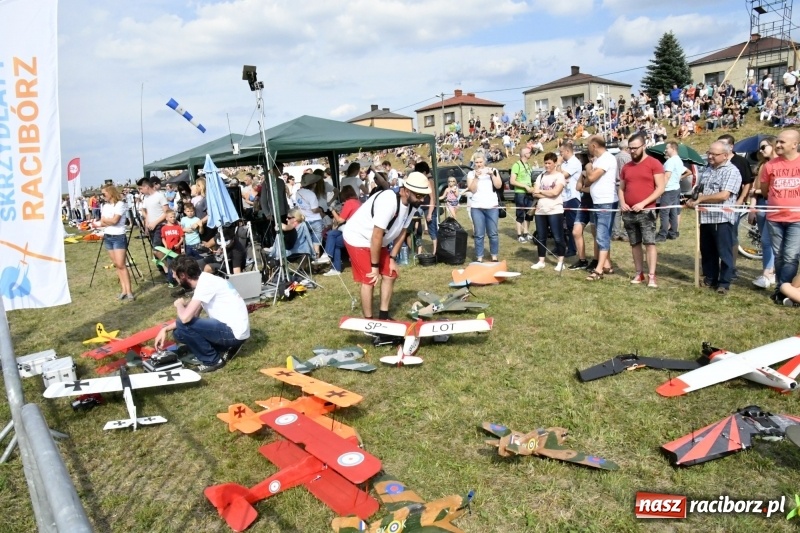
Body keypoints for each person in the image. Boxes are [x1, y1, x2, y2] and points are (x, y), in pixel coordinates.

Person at [342, 172, 431, 320]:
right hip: (358, 237)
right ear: (407, 191)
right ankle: (369, 322)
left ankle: (384, 316)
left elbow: (403, 231)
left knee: (390, 274)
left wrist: (392, 257)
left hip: (376, 240)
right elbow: (376, 235)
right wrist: (375, 266)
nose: (421, 200)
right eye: (419, 196)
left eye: (423, 196)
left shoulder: (412, 205)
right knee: (369, 279)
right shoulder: (389, 201)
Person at [154, 255, 250, 373]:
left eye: (174, 274)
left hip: (233, 334)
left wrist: (179, 304)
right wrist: (166, 329)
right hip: (233, 331)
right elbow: (193, 316)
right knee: (179, 332)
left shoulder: (205, 284)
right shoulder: (205, 280)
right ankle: (221, 348)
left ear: (183, 275)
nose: (173, 277)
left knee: (181, 323)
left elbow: (184, 319)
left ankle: (213, 360)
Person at [685, 141, 742, 294]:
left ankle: (724, 283)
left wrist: (702, 199)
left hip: (721, 218)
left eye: (714, 154)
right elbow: (701, 190)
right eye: (709, 153)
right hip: (705, 217)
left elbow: (724, 195)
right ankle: (710, 278)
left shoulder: (732, 171)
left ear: (725, 155)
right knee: (707, 250)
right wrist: (694, 199)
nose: (709, 156)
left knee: (723, 252)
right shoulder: (708, 170)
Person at [618, 133, 666, 288]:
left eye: (635, 148)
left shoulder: (654, 164)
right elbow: (621, 188)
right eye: (630, 148)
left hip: (647, 211)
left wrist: (643, 203)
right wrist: (623, 203)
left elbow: (660, 188)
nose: (632, 151)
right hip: (629, 213)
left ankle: (652, 276)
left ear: (643, 146)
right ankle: (639, 273)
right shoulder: (626, 167)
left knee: (649, 243)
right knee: (635, 243)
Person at [761, 130, 800, 303]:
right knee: (778, 255)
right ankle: (782, 289)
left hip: (797, 219)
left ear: (795, 144)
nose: (777, 145)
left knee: (791, 255)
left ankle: (785, 290)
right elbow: (764, 189)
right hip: (774, 217)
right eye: (777, 142)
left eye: (782, 142)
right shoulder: (770, 165)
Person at [584, 135, 618, 281]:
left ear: (594, 146)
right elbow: (586, 183)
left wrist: (587, 167)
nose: (587, 148)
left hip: (606, 202)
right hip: (597, 201)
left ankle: (599, 270)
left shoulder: (607, 158)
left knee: (602, 235)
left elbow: (590, 179)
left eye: (587, 145)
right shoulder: (598, 160)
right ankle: (607, 265)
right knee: (600, 234)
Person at [93, 185, 133, 301]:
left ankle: (129, 291)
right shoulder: (105, 206)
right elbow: (103, 221)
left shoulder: (120, 204)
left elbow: (115, 221)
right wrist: (106, 221)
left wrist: (106, 221)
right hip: (108, 236)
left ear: (110, 193)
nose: (102, 196)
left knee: (121, 264)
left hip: (118, 236)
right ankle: (123, 290)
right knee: (117, 264)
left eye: (104, 194)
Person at [529, 152, 566, 271]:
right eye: (545, 163)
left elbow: (556, 192)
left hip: (555, 210)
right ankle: (541, 260)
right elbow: (535, 193)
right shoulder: (541, 176)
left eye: (549, 163)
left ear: (555, 163)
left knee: (558, 236)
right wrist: (544, 193)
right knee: (541, 236)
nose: (547, 165)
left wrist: (541, 191)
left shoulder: (559, 176)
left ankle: (560, 261)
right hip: (541, 211)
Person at [749, 136, 777, 289]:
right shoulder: (762, 166)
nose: (760, 150)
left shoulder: (779, 166)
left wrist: (758, 190)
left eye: (764, 147)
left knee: (769, 241)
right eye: (760, 148)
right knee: (766, 242)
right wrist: (752, 208)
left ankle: (769, 273)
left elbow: (774, 189)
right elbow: (754, 189)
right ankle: (768, 272)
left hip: (773, 204)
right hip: (760, 204)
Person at [466, 155, 502, 262]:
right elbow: (472, 189)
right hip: (477, 207)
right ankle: (479, 257)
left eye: (480, 162)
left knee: (493, 233)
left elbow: (499, 185)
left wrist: (492, 175)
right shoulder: (471, 174)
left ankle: (494, 256)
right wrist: (476, 178)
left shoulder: (493, 170)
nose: (479, 164)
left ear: (485, 162)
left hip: (492, 206)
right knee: (479, 234)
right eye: (476, 162)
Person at [323, 186, 360, 276]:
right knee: (332, 234)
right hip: (356, 230)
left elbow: (340, 220)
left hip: (352, 232)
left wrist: (332, 210)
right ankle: (329, 259)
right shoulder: (357, 202)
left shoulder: (349, 203)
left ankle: (329, 258)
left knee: (333, 240)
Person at [656, 142, 687, 242]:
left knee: (664, 213)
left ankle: (662, 234)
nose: (665, 150)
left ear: (673, 149)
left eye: (667, 148)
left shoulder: (670, 161)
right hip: (676, 188)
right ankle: (673, 232)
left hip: (669, 189)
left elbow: (667, 176)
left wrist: (661, 189)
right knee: (673, 212)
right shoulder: (679, 160)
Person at [137, 176, 169, 270]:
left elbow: (166, 212)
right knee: (155, 250)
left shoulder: (160, 195)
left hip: (160, 226)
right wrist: (146, 226)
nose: (140, 191)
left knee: (157, 250)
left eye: (141, 188)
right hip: (151, 227)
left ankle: (170, 269)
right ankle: (163, 270)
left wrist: (155, 222)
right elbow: (148, 214)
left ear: (147, 186)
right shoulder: (146, 198)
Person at [510, 148, 535, 242]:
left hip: (529, 193)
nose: (531, 154)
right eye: (529, 152)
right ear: (524, 154)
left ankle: (526, 233)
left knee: (529, 214)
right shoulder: (516, 165)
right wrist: (525, 186)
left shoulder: (528, 165)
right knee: (520, 214)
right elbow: (512, 181)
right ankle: (519, 235)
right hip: (520, 193)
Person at [160, 210, 184, 286]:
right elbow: (163, 238)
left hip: (177, 251)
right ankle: (172, 281)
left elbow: (182, 237)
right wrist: (166, 245)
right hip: (169, 251)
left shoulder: (178, 227)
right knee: (170, 265)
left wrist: (179, 244)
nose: (173, 218)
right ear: (166, 218)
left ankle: (180, 279)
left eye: (174, 217)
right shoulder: (164, 228)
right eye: (171, 217)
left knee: (178, 265)